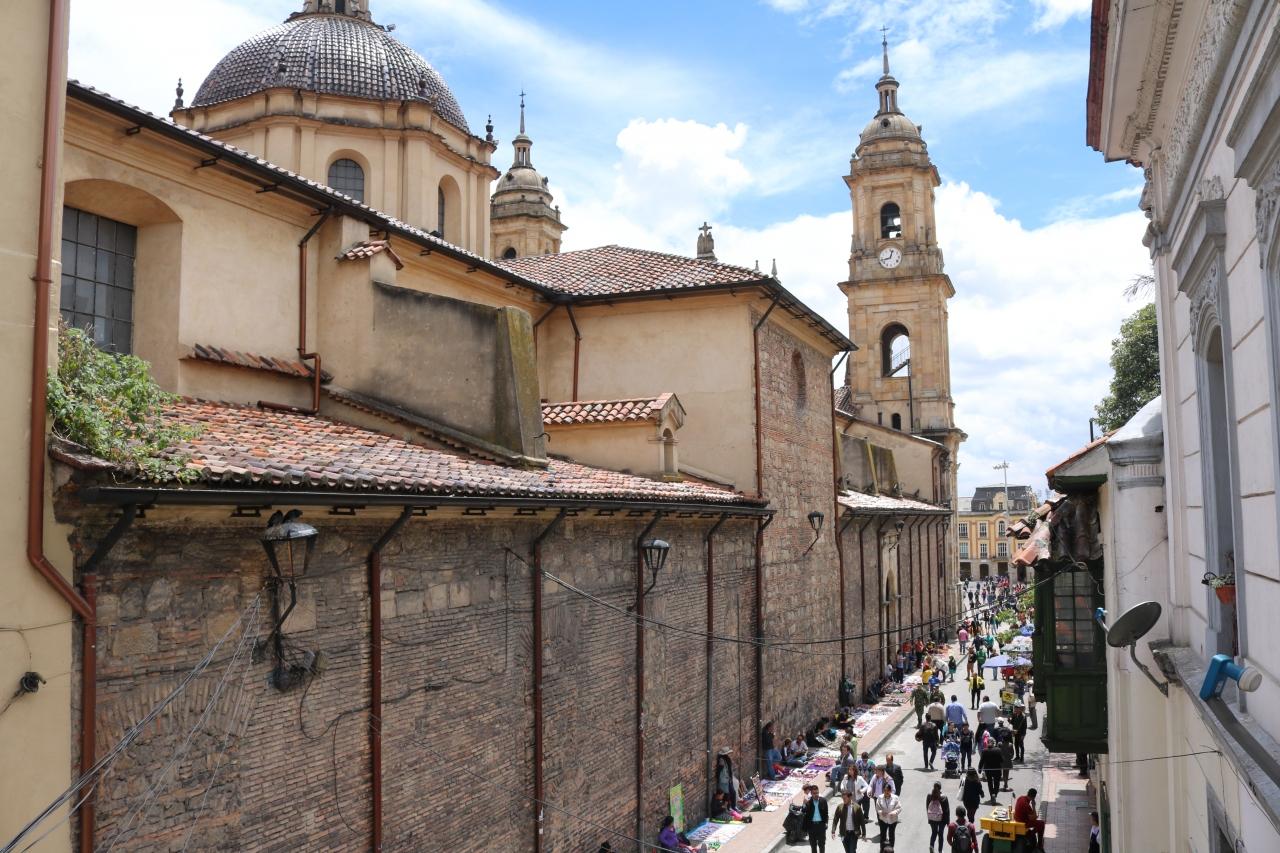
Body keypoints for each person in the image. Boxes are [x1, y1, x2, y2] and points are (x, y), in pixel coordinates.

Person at [802, 784, 829, 853]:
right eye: (814, 793)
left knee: (822, 845)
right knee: (813, 845)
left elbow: (826, 813)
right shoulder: (809, 802)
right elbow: (803, 811)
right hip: (812, 826)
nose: (816, 795)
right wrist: (804, 804)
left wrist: (826, 823)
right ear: (811, 794)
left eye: (817, 793)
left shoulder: (823, 801)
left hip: (821, 826)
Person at [926, 781, 951, 852]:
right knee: (941, 834)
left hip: (932, 818)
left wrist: (929, 818)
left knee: (934, 833)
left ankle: (931, 846)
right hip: (942, 819)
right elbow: (947, 811)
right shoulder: (944, 797)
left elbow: (927, 807)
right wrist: (948, 822)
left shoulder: (929, 796)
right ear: (940, 788)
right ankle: (940, 850)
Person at [978, 738, 1004, 803]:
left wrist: (979, 769)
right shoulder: (998, 750)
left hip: (988, 770)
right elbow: (1002, 760)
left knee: (990, 783)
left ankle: (992, 795)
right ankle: (994, 794)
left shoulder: (984, 751)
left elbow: (981, 761)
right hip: (997, 769)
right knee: (996, 783)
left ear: (987, 743)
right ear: (994, 743)